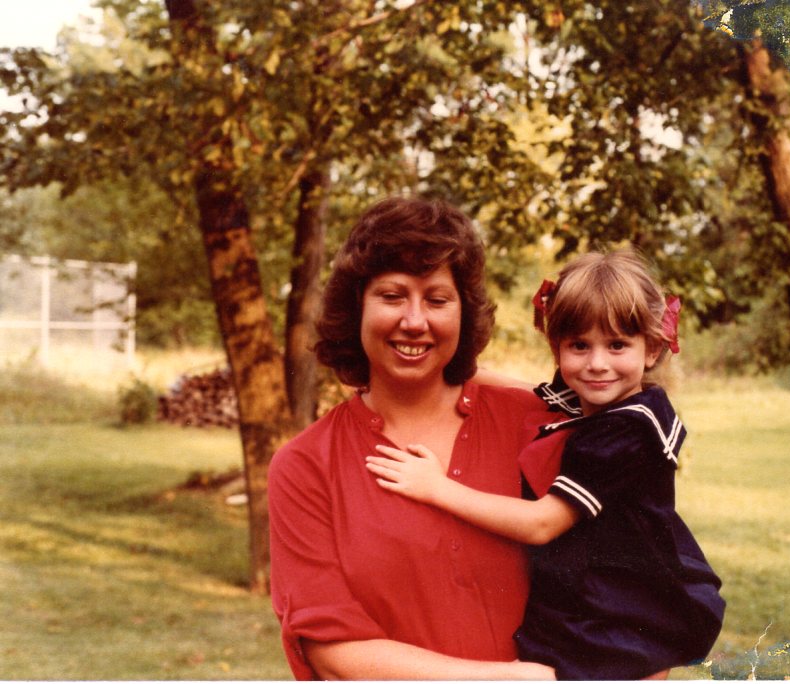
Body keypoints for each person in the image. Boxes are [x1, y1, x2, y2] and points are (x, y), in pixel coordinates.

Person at [366, 250, 726, 680]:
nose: (596, 364)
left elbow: (542, 523)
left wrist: (437, 487)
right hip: (602, 593)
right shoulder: (615, 400)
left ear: (651, 350)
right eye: (579, 346)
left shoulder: (627, 428)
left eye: (616, 345)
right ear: (558, 348)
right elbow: (533, 394)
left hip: (617, 613)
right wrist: (458, 367)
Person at [267, 196, 558, 680]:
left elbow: (635, 565)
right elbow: (332, 651)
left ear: (463, 312)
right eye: (392, 296)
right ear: (356, 307)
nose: (415, 320)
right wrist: (512, 679)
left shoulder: (533, 426)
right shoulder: (305, 465)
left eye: (437, 300)